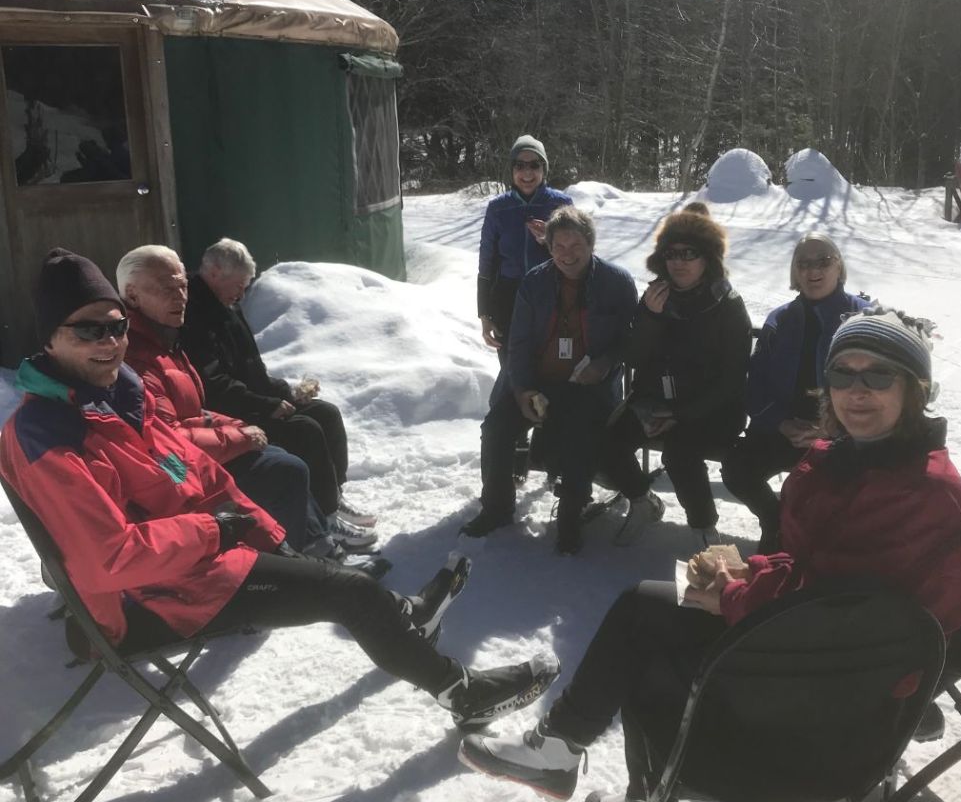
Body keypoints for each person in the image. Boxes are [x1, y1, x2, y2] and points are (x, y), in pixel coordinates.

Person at [457, 307, 961, 802]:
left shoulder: (919, 492)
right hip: (826, 675)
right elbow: (821, 576)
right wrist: (747, 574)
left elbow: (839, 609)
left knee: (646, 634)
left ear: (915, 389)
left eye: (879, 374)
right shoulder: (850, 460)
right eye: (843, 373)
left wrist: (734, 595)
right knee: (659, 601)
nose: (857, 390)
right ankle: (575, 760)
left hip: (820, 705)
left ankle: (623, 796)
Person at [0, 247, 559, 729]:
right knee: (349, 592)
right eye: (87, 329)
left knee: (322, 568)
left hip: (188, 560)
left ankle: (403, 616)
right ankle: (462, 693)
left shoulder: (112, 399)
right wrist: (212, 529)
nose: (109, 342)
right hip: (146, 598)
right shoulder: (51, 433)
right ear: (49, 338)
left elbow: (183, 467)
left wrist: (250, 523)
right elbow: (108, 560)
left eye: (116, 325)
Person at [118, 244, 368, 560]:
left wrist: (262, 409)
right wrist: (243, 428)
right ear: (132, 294)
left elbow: (198, 406)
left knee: (316, 422)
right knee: (289, 460)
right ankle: (309, 554)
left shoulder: (167, 337)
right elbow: (165, 439)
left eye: (182, 286)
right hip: (177, 471)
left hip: (202, 445)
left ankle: (322, 520)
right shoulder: (142, 352)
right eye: (168, 287)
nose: (181, 296)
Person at [461, 206, 637, 554]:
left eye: (576, 247)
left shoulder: (616, 282)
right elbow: (520, 344)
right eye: (559, 247)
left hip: (589, 384)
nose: (567, 255)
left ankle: (571, 513)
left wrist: (604, 364)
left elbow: (630, 339)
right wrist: (523, 389)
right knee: (496, 426)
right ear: (549, 247)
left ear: (590, 244)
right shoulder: (535, 282)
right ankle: (496, 508)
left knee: (579, 428)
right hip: (540, 380)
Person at [181, 238, 374, 539]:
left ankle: (333, 496)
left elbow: (250, 368)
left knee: (326, 413)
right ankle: (325, 517)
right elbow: (214, 385)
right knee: (305, 429)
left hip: (252, 399)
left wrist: (285, 391)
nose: (243, 293)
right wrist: (265, 404)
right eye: (239, 284)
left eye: (246, 285)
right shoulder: (195, 316)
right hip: (230, 414)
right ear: (216, 273)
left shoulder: (226, 303)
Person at [603, 202, 752, 549]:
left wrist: (681, 414)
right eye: (672, 253)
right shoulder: (656, 297)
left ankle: (704, 527)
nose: (679, 261)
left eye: (690, 253)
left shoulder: (727, 305)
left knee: (680, 450)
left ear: (708, 259)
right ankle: (643, 502)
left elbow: (732, 380)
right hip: (656, 402)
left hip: (713, 409)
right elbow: (633, 357)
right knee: (608, 439)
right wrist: (650, 318)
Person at [721, 233, 870, 551]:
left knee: (842, 487)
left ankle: (823, 544)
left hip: (843, 436)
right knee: (737, 467)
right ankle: (775, 523)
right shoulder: (781, 319)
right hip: (785, 429)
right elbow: (755, 384)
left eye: (823, 261)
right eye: (803, 263)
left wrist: (831, 429)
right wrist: (781, 422)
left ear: (839, 267)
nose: (813, 270)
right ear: (794, 272)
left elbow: (878, 394)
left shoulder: (863, 319)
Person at [477, 135, 573, 357]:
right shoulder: (498, 208)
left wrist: (551, 240)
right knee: (513, 370)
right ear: (512, 170)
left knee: (552, 365)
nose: (527, 173)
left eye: (534, 165)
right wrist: (485, 313)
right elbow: (486, 262)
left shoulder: (561, 204)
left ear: (544, 169)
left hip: (552, 294)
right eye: (520, 165)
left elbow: (580, 256)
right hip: (508, 298)